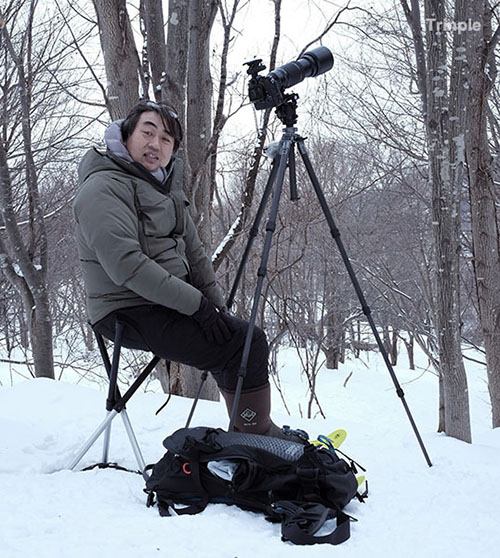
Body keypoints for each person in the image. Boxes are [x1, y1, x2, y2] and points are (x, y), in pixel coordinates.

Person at [73, 100, 303, 441]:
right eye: (147, 132)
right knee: (247, 343)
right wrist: (198, 307)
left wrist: (216, 309)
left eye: (166, 139)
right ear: (126, 134)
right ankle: (258, 435)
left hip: (166, 301)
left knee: (235, 338)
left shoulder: (164, 187)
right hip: (124, 308)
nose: (156, 144)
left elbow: (195, 255)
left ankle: (246, 434)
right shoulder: (103, 187)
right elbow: (127, 266)